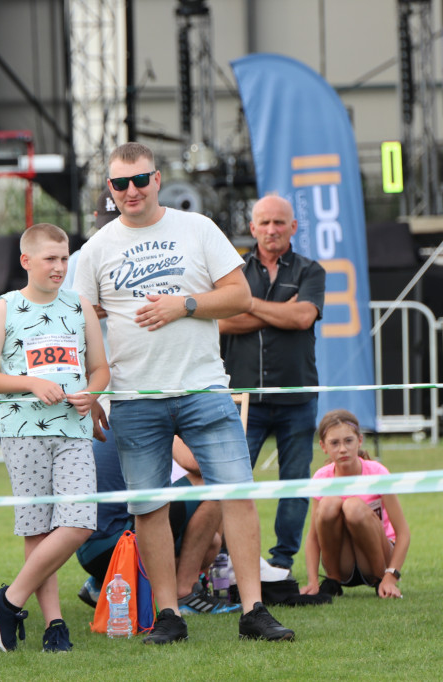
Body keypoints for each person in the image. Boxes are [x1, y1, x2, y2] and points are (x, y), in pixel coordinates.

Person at [72, 141, 294, 644]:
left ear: (157, 179)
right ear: (110, 189)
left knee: (234, 495)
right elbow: (78, 321)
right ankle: (168, 615)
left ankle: (254, 609)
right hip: (132, 397)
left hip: (203, 387)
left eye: (140, 180)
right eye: (119, 184)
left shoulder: (197, 228)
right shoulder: (98, 248)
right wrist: (89, 394)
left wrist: (184, 304)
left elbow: (240, 296)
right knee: (148, 508)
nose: (130, 191)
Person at [0, 223, 108, 653]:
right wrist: (31, 383)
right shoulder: (5, 308)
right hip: (23, 430)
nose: (59, 267)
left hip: (74, 429)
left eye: (65, 258)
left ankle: (7, 599)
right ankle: (54, 626)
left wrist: (94, 392)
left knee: (80, 520)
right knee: (38, 527)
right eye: (50, 258)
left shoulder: (80, 305)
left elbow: (100, 369)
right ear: (26, 261)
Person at [220, 194, 326, 571]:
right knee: (233, 483)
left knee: (294, 483)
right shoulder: (233, 271)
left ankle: (282, 563)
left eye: (279, 222)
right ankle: (230, 561)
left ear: (293, 227)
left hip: (297, 395)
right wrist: (280, 311)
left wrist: (248, 305)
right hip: (242, 397)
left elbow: (303, 318)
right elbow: (220, 322)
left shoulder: (311, 270)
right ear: (252, 228)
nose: (271, 229)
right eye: (264, 222)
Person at [76, 427, 240, 616]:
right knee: (212, 484)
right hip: (113, 544)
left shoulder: (123, 417)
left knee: (212, 544)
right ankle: (185, 593)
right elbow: (195, 463)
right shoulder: (152, 411)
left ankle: (103, 585)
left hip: (91, 548)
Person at [300, 409, 410, 599]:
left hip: (379, 560)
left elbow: (403, 533)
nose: (342, 449)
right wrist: (312, 582)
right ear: (323, 446)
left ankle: (379, 581)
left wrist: (391, 576)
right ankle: (332, 582)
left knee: (353, 507)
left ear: (359, 441)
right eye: (334, 443)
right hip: (343, 564)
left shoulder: (378, 472)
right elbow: (313, 537)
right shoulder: (321, 477)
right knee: (328, 505)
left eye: (348, 441)